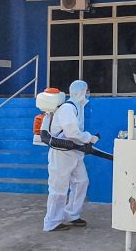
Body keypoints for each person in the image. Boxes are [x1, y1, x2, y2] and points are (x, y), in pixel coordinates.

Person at [43, 80, 99, 232]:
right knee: (58, 188)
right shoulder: (67, 108)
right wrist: (89, 138)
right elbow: (72, 132)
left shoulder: (78, 107)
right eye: (87, 91)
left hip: (74, 153)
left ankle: (71, 215)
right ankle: (52, 222)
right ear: (81, 92)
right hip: (61, 154)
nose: (88, 94)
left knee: (82, 182)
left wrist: (85, 141)